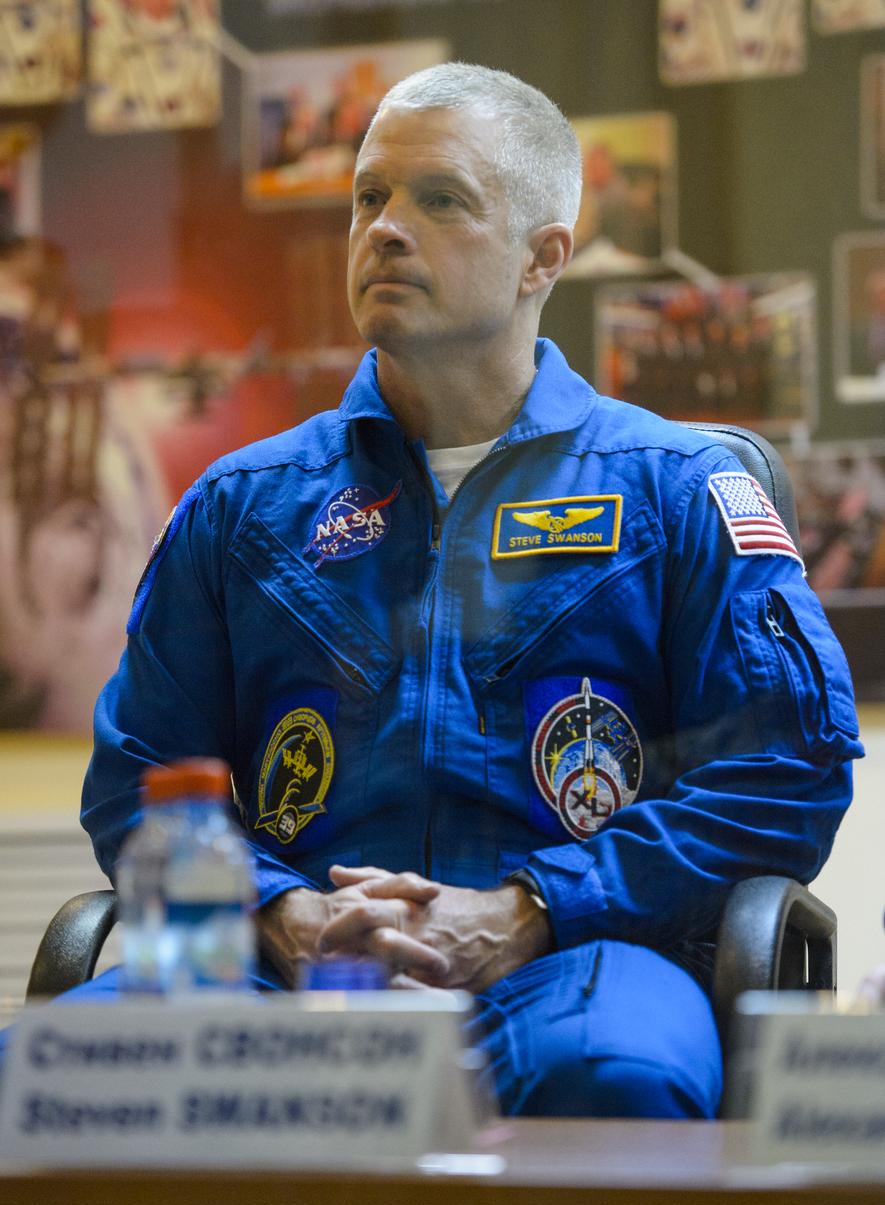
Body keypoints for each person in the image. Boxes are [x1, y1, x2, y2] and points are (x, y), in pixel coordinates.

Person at [73, 63, 861, 1119]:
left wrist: (530, 906)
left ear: (546, 256)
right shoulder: (243, 505)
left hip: (574, 956)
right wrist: (282, 913)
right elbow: (139, 775)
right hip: (286, 965)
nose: (386, 229)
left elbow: (788, 764)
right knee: (52, 1071)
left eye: (439, 200)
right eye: (368, 197)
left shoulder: (679, 490)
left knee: (618, 1076)